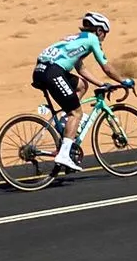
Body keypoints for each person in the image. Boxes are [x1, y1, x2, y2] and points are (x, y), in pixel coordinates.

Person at [33, 12, 120, 173]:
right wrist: (123, 81)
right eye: (105, 33)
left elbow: (81, 69)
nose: (104, 37)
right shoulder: (92, 39)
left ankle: (67, 124)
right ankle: (64, 154)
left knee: (81, 85)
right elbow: (106, 67)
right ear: (99, 30)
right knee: (76, 113)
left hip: (42, 69)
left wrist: (102, 84)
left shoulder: (77, 39)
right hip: (53, 71)